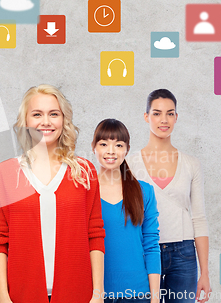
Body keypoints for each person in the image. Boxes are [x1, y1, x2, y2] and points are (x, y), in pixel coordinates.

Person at [0, 84, 105, 303]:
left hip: (78, 294)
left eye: (54, 114)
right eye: (37, 114)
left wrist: (97, 293)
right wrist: (3, 295)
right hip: (22, 295)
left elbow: (95, 234)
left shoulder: (84, 171)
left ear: (63, 120)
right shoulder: (5, 173)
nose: (46, 121)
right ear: (25, 122)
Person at [126, 89, 210, 303]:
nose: (164, 120)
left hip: (184, 253)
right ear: (146, 117)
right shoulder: (130, 164)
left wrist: (205, 273)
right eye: (156, 113)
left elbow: (198, 218)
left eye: (170, 113)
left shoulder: (191, 163)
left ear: (176, 117)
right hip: (144, 251)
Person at [92, 119, 160, 303]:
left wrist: (155, 298)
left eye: (118, 144)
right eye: (104, 144)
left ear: (127, 150)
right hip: (95, 294)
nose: (111, 151)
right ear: (94, 148)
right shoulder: (84, 191)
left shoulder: (144, 190)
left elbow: (152, 245)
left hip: (137, 294)